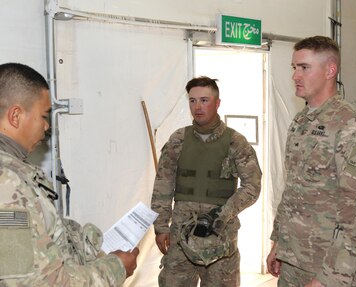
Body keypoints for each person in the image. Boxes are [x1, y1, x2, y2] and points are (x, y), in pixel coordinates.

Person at [0, 62, 139, 286]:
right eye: (43, 116)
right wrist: (115, 268)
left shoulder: (15, 173)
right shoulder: (7, 183)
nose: (46, 126)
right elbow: (43, 283)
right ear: (16, 116)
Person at [266, 35, 356, 287]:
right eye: (294, 68)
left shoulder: (352, 126)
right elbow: (292, 189)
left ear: (330, 70)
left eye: (304, 67)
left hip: (327, 267)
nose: (295, 75)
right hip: (293, 259)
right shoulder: (300, 121)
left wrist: (328, 278)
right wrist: (278, 243)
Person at [151, 76, 262, 286]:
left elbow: (252, 187)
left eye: (204, 100)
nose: (197, 107)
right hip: (181, 236)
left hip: (219, 235)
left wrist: (223, 214)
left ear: (217, 103)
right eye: (192, 101)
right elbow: (162, 185)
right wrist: (161, 226)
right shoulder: (178, 140)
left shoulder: (235, 142)